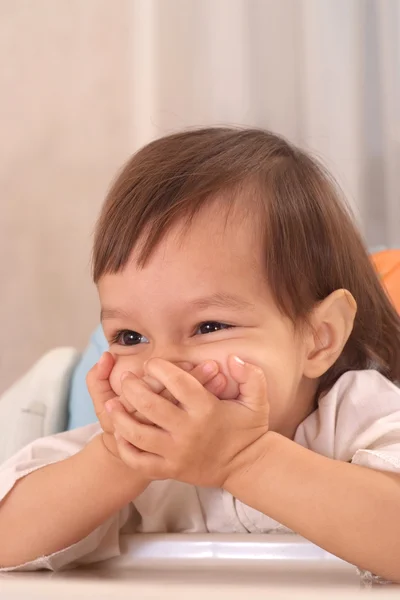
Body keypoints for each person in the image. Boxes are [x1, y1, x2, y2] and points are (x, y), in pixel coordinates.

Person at [0, 128, 400, 580]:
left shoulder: (358, 416)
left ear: (319, 337)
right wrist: (116, 458)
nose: (162, 367)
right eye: (130, 336)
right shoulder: (127, 453)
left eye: (209, 327)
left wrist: (245, 459)